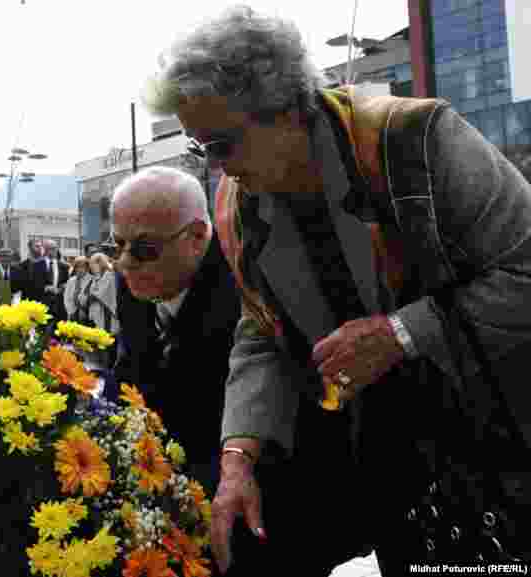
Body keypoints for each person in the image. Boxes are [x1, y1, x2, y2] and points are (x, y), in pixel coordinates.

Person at [147, 5, 531, 573]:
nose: (218, 171)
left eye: (223, 145)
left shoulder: (416, 139)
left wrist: (402, 333)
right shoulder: (239, 204)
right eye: (201, 150)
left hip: (508, 450)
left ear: (284, 110)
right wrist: (239, 456)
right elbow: (262, 330)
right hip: (396, 480)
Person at [107, 167, 240, 496]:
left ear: (196, 237)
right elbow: (132, 372)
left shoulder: (241, 285)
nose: (125, 263)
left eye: (144, 249)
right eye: (117, 245)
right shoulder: (134, 282)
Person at [63, 256, 90, 322]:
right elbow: (66, 297)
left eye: (82, 267)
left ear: (87, 268)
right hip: (72, 314)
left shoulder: (91, 280)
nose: (79, 269)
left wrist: (84, 311)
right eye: (77, 267)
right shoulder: (71, 280)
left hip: (86, 315)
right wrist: (71, 311)